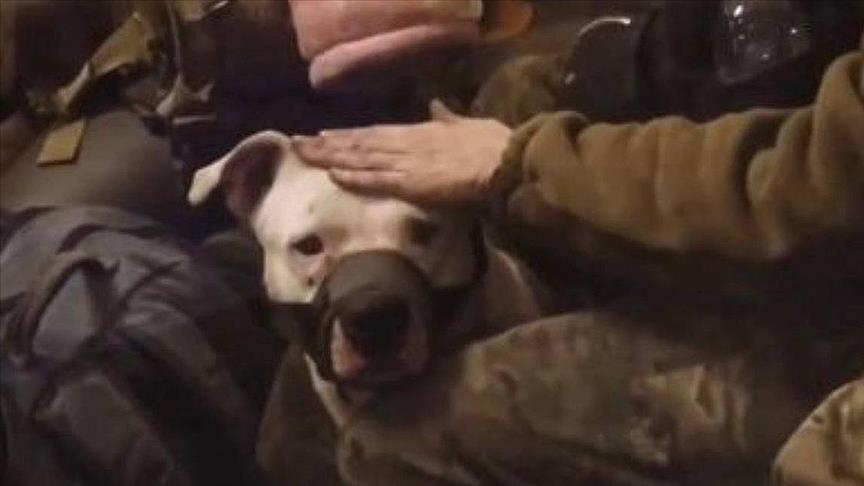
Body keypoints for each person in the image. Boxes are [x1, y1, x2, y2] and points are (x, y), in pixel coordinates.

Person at [290, 41, 864, 486]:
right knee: (517, 88)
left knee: (392, 441)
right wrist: (640, 53)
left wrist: (526, 162)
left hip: (838, 300)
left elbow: (810, 188)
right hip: (812, 152)